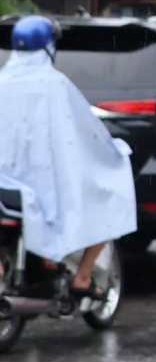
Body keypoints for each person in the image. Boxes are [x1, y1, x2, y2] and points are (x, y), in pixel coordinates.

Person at [0, 16, 136, 300]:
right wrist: (114, 151)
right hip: (41, 188)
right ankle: (82, 277)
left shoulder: (2, 80)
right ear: (48, 47)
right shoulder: (55, 85)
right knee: (110, 198)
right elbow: (87, 133)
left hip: (5, 187)